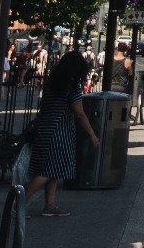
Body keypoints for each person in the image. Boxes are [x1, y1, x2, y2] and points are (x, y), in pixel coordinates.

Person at [25, 50, 98, 217]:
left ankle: (50, 205)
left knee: (53, 168)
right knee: (47, 171)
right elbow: (79, 113)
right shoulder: (72, 87)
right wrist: (92, 134)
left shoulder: (52, 83)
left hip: (45, 127)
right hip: (60, 130)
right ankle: (18, 203)